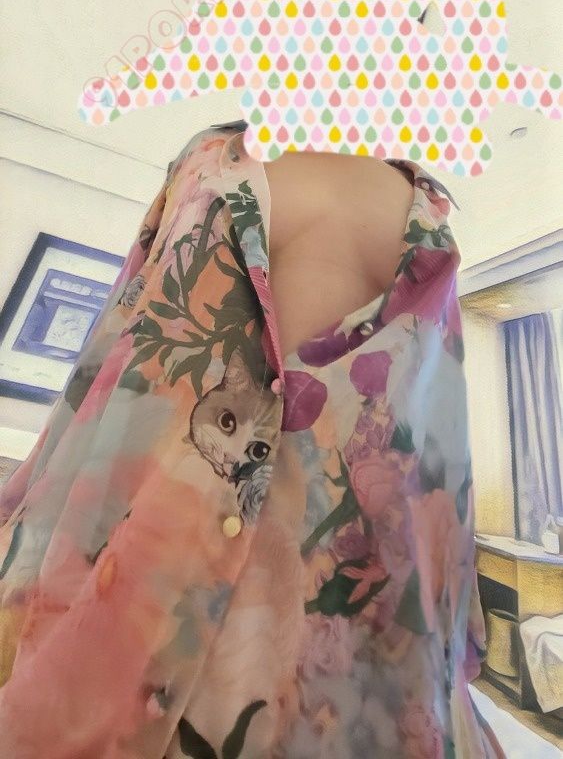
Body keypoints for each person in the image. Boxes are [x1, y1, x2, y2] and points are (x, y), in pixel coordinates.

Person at [0, 118, 504, 758]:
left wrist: (447, 622)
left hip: (360, 628)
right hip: (159, 565)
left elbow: (437, 442)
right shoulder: (212, 159)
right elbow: (121, 351)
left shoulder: (430, 215)